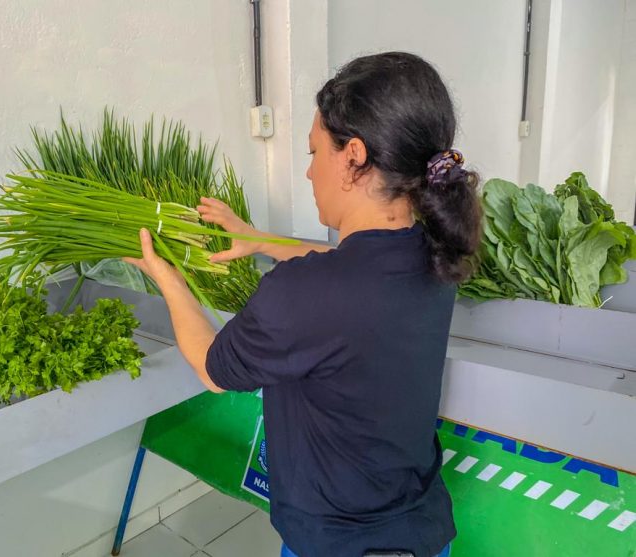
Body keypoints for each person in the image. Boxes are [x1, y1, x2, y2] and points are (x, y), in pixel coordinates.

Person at [124, 52, 482, 557]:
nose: (310, 172)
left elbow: (211, 366)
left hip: (339, 546)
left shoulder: (305, 292)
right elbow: (351, 261)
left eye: (315, 152)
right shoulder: (437, 252)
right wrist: (258, 240)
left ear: (353, 155)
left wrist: (165, 274)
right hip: (420, 531)